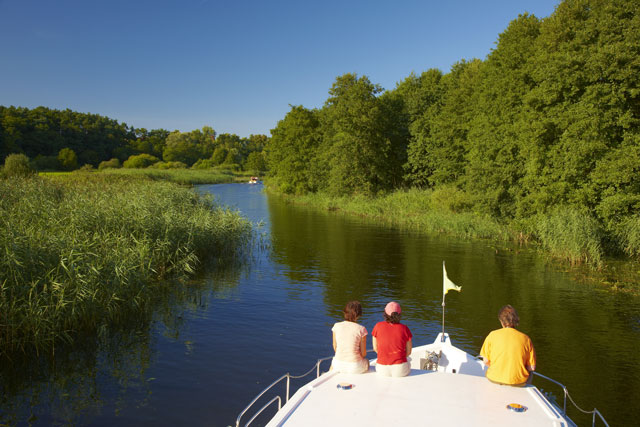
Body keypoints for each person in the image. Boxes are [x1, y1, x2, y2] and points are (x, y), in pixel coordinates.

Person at [480, 305, 536, 386]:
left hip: (493, 379)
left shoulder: (492, 335)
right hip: (518, 382)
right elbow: (532, 367)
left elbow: (485, 361)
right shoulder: (526, 339)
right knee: (530, 373)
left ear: (501, 321)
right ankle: (527, 389)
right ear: (516, 320)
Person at [372, 301, 413, 377]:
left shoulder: (377, 326)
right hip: (400, 369)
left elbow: (375, 348)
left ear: (385, 314)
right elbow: (409, 352)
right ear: (399, 314)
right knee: (409, 360)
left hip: (382, 369)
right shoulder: (405, 328)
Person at [331, 301, 369, 374]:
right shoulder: (361, 329)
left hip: (337, 364)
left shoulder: (336, 326)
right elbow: (363, 353)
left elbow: (335, 347)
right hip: (355, 367)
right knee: (367, 361)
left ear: (345, 312)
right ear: (359, 315)